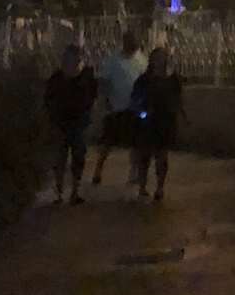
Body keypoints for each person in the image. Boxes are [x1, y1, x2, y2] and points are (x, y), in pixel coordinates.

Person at [44, 44, 97, 206]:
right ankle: (59, 191)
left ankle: (74, 191)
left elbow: (91, 98)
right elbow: (48, 99)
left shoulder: (86, 78)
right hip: (61, 123)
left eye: (75, 59)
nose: (73, 62)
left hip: (78, 123)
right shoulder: (57, 79)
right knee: (60, 157)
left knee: (77, 157)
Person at [92, 30, 146, 187]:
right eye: (131, 40)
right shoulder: (113, 60)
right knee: (107, 142)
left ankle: (134, 172)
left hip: (135, 109)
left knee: (136, 143)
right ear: (125, 41)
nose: (134, 43)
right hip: (115, 108)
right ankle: (98, 170)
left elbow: (146, 82)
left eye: (135, 40)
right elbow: (104, 82)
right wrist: (105, 100)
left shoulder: (142, 60)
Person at [130, 46, 184, 203]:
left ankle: (160, 187)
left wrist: (179, 115)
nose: (159, 61)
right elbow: (135, 99)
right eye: (156, 58)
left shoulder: (173, 79)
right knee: (145, 156)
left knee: (162, 157)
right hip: (148, 122)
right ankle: (142, 187)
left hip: (165, 122)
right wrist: (141, 113)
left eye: (162, 58)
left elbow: (178, 99)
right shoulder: (144, 80)